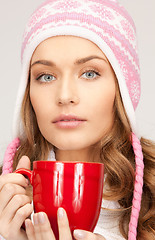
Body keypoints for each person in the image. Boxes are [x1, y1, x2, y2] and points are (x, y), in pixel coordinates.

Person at [0, 0, 154, 239]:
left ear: (122, 88)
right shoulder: (6, 203)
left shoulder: (151, 192)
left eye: (89, 73)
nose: (65, 97)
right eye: (46, 76)